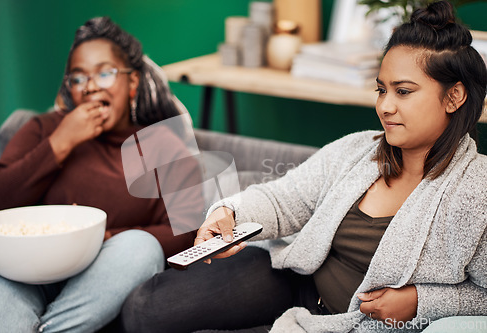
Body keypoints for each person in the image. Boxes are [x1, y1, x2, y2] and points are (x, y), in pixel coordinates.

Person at [119, 1, 487, 332]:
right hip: (297, 279)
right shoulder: (358, 150)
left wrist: (423, 302)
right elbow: (285, 199)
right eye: (381, 89)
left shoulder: (477, 192)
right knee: (145, 310)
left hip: (353, 322)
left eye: (403, 91)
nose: (385, 107)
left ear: (454, 96)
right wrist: (230, 212)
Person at [0, 17, 202, 332]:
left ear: (132, 85)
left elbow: (188, 230)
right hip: (28, 271)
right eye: (78, 77)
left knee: (139, 248)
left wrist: (106, 238)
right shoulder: (42, 129)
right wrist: (61, 142)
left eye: (104, 73)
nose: (89, 86)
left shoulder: (162, 145)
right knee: (0, 281)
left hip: (105, 277)